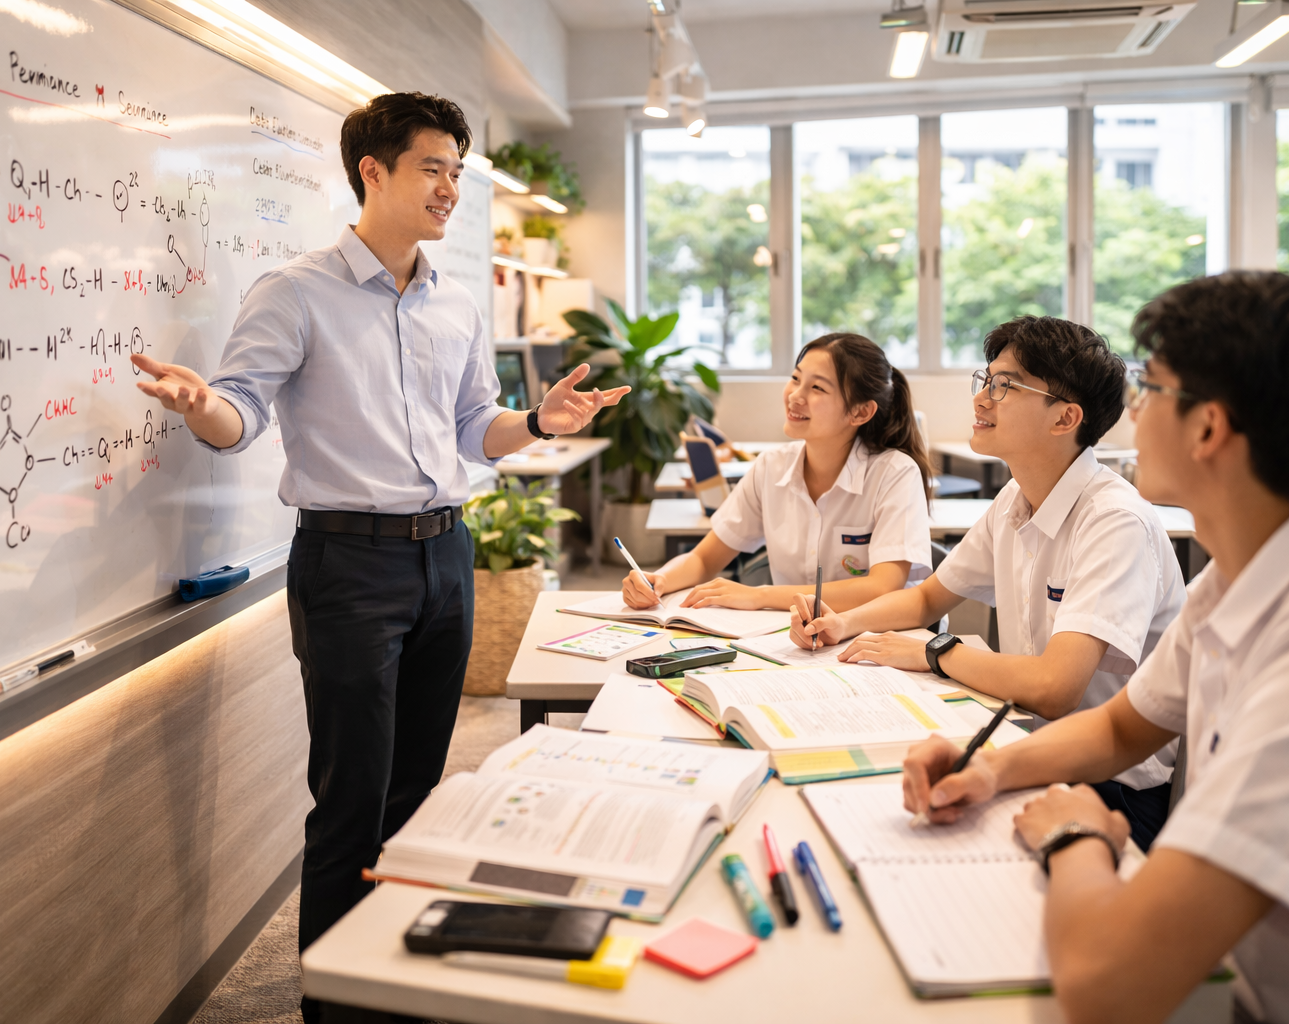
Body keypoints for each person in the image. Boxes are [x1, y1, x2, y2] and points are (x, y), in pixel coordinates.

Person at [128, 92, 628, 1023]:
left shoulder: (455, 302)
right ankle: (333, 1004)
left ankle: (397, 985)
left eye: (457, 171)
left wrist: (539, 421)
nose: (450, 189)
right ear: (374, 171)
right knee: (352, 795)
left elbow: (477, 429)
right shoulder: (296, 290)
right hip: (349, 567)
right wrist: (202, 407)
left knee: (419, 789)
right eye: (433, 168)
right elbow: (240, 414)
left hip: (447, 556)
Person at [900, 271, 1289, 1024]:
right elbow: (1123, 726)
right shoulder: (1232, 582)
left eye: (1151, 390)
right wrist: (988, 768)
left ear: (1208, 427)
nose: (1134, 413)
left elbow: (1105, 986)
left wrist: (1078, 832)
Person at [791, 316, 1185, 850]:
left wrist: (936, 651)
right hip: (1030, 750)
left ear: (1066, 417)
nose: (982, 400)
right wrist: (843, 623)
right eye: (987, 380)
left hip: (1111, 789)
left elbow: (1054, 688)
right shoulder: (1016, 498)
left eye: (1006, 386)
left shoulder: (1114, 521)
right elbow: (931, 595)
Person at [621, 333, 932, 613]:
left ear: (860, 412)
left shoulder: (895, 473)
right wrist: (659, 580)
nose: (795, 395)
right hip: (796, 640)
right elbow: (704, 559)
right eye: (795, 379)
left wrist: (761, 596)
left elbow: (881, 588)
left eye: (817, 388)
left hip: (878, 643)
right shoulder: (772, 467)